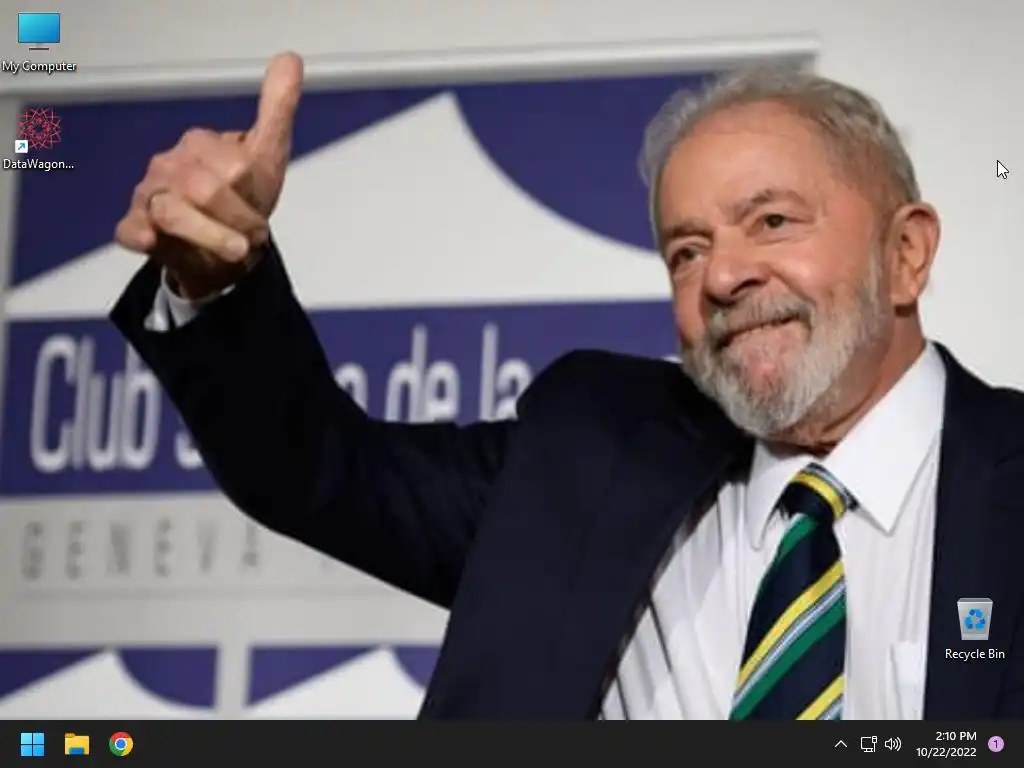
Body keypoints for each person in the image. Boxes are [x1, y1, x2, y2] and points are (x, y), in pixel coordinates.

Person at [111, 52, 1024, 720]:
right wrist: (217, 277)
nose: (721, 276)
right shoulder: (589, 449)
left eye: (773, 221)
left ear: (906, 253)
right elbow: (318, 467)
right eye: (687, 250)